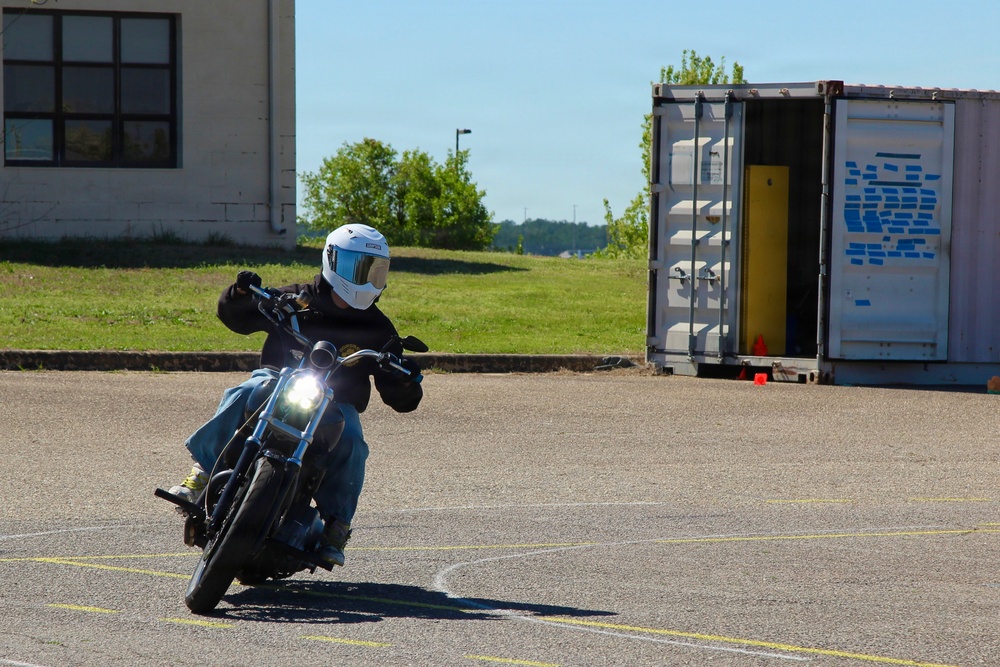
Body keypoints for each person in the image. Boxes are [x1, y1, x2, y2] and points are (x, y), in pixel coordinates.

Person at [169, 223, 423, 567]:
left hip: (335, 405)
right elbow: (236, 318)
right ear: (332, 260)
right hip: (278, 382)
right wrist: (242, 294)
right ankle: (203, 470)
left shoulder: (378, 328)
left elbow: (398, 397)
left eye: (375, 270)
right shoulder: (295, 299)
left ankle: (337, 524)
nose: (366, 278)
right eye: (357, 267)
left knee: (353, 438)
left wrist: (405, 381)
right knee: (245, 389)